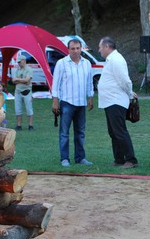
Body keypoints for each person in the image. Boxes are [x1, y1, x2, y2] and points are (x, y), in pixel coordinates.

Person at [51, 38, 95, 167]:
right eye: (73, 48)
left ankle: (80, 158)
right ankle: (64, 158)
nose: (75, 51)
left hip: (81, 103)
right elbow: (56, 83)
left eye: (78, 48)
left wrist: (90, 97)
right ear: (68, 50)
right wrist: (55, 101)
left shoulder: (87, 63)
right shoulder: (62, 63)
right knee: (64, 132)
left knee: (80, 132)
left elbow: (89, 82)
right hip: (67, 102)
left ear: (81, 49)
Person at [97, 36, 138, 169]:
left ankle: (131, 160)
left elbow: (125, 81)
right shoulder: (111, 60)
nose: (99, 50)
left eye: (100, 47)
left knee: (120, 131)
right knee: (113, 132)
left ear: (107, 47)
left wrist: (130, 93)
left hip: (116, 101)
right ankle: (119, 158)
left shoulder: (116, 60)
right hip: (110, 101)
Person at [10, 54, 34, 131]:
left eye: (20, 62)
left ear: (24, 61)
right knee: (18, 109)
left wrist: (18, 80)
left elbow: (27, 80)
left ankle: (30, 125)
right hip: (18, 92)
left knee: (29, 109)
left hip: (27, 91)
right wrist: (22, 81)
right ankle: (19, 125)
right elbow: (13, 80)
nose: (19, 63)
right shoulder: (17, 70)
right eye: (18, 62)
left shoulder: (29, 69)